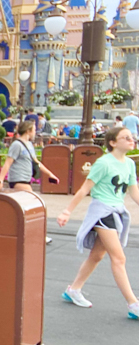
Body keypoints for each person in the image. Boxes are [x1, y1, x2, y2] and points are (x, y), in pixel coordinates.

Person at [57, 126, 139, 321]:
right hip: (102, 212)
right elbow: (85, 189)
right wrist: (67, 211)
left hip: (117, 212)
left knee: (97, 255)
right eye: (125, 137)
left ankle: (73, 289)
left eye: (132, 137)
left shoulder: (129, 164)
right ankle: (133, 303)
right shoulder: (103, 163)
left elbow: (133, 191)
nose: (131, 140)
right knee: (118, 258)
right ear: (112, 142)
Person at [0, 120, 59, 244]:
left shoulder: (29, 145)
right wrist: (0, 180)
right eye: (34, 130)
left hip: (26, 179)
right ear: (28, 131)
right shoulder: (16, 145)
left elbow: (36, 163)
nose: (35, 132)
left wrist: (50, 174)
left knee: (24, 208)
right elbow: (8, 163)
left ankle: (18, 232)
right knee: (35, 205)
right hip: (18, 179)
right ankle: (38, 235)